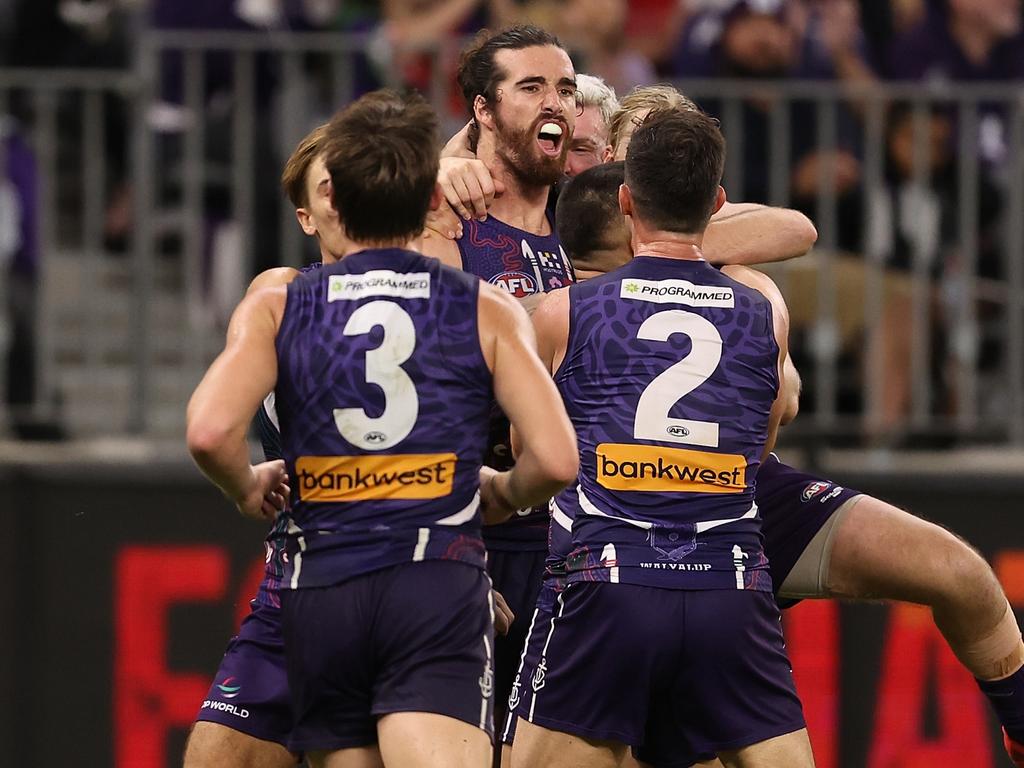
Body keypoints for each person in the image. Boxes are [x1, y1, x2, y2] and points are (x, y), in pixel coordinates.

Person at [538, 158, 1024, 768]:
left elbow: (796, 235)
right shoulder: (552, 276)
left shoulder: (711, 264)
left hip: (736, 493)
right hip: (608, 521)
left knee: (956, 569)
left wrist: (685, 250)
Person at [185, 89, 578, 767]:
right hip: (434, 575)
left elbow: (208, 432)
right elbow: (556, 458)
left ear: (331, 197)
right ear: (433, 200)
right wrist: (501, 493)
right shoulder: (482, 305)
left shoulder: (281, 301)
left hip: (322, 579)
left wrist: (246, 486)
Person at [512, 106, 814, 767]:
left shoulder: (564, 311)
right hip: (729, 586)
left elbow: (530, 453)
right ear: (718, 203)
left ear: (625, 202)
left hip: (603, 582)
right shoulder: (761, 312)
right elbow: (756, 452)